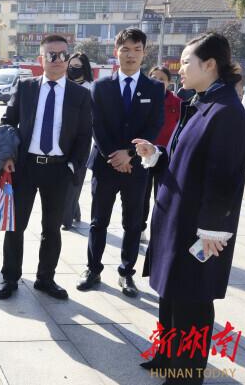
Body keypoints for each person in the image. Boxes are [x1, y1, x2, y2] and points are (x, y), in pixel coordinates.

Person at [134, 32, 245, 385]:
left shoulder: (227, 112)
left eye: (186, 62)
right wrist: (156, 154)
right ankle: (167, 357)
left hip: (198, 228)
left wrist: (213, 228)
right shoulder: (199, 102)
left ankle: (185, 376)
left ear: (210, 65)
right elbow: (183, 156)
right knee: (171, 297)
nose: (179, 68)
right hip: (176, 218)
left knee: (192, 305)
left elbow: (225, 176)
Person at [0, 35, 92, 300]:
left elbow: (85, 136)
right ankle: (9, 278)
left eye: (63, 55)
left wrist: (72, 167)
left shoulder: (80, 95)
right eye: (51, 55)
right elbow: (7, 122)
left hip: (59, 170)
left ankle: (45, 279)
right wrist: (7, 156)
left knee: (52, 228)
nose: (58, 60)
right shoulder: (26, 87)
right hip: (24, 167)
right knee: (16, 226)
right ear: (41, 59)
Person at [77, 28, 165, 298]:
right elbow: (97, 125)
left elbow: (154, 126)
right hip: (105, 166)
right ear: (116, 52)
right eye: (125, 49)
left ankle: (127, 272)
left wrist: (130, 154)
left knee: (133, 223)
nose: (131, 55)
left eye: (137, 49)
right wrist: (114, 157)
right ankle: (92, 269)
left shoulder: (154, 88)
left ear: (144, 53)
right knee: (98, 221)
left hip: (137, 167)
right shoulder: (101, 86)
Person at [140, 66, 181, 243]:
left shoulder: (178, 103)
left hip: (166, 158)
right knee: (142, 195)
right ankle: (140, 228)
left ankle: (159, 232)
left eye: (161, 79)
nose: (157, 82)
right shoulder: (142, 99)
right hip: (144, 155)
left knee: (162, 197)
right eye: (153, 78)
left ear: (169, 82)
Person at [61, 52, 94, 230]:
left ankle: (66, 220)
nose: (73, 70)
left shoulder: (91, 88)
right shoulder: (64, 85)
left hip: (83, 140)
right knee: (64, 179)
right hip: (63, 139)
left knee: (75, 179)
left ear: (84, 68)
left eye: (77, 66)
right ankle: (74, 211)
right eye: (71, 66)